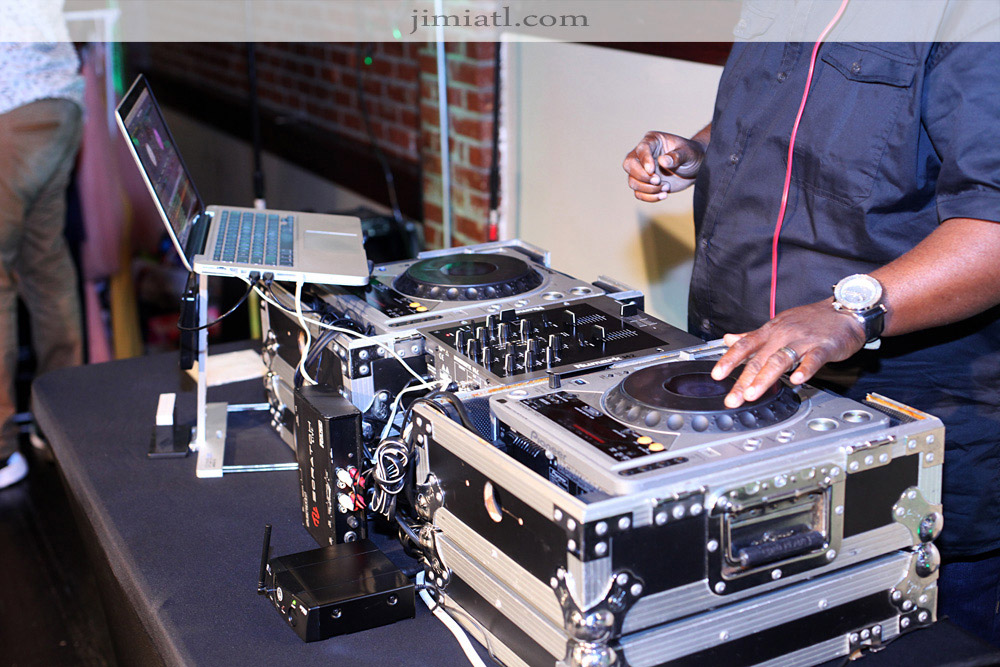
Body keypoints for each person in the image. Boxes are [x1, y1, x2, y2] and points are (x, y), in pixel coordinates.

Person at [623, 10, 1000, 647]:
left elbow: (990, 225)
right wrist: (701, 152)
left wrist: (851, 311)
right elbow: (789, 128)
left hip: (905, 432)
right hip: (744, 406)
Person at [0, 2, 85, 489]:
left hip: (12, 105)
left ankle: (1, 450)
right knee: (45, 264)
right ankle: (60, 430)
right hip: (59, 98)